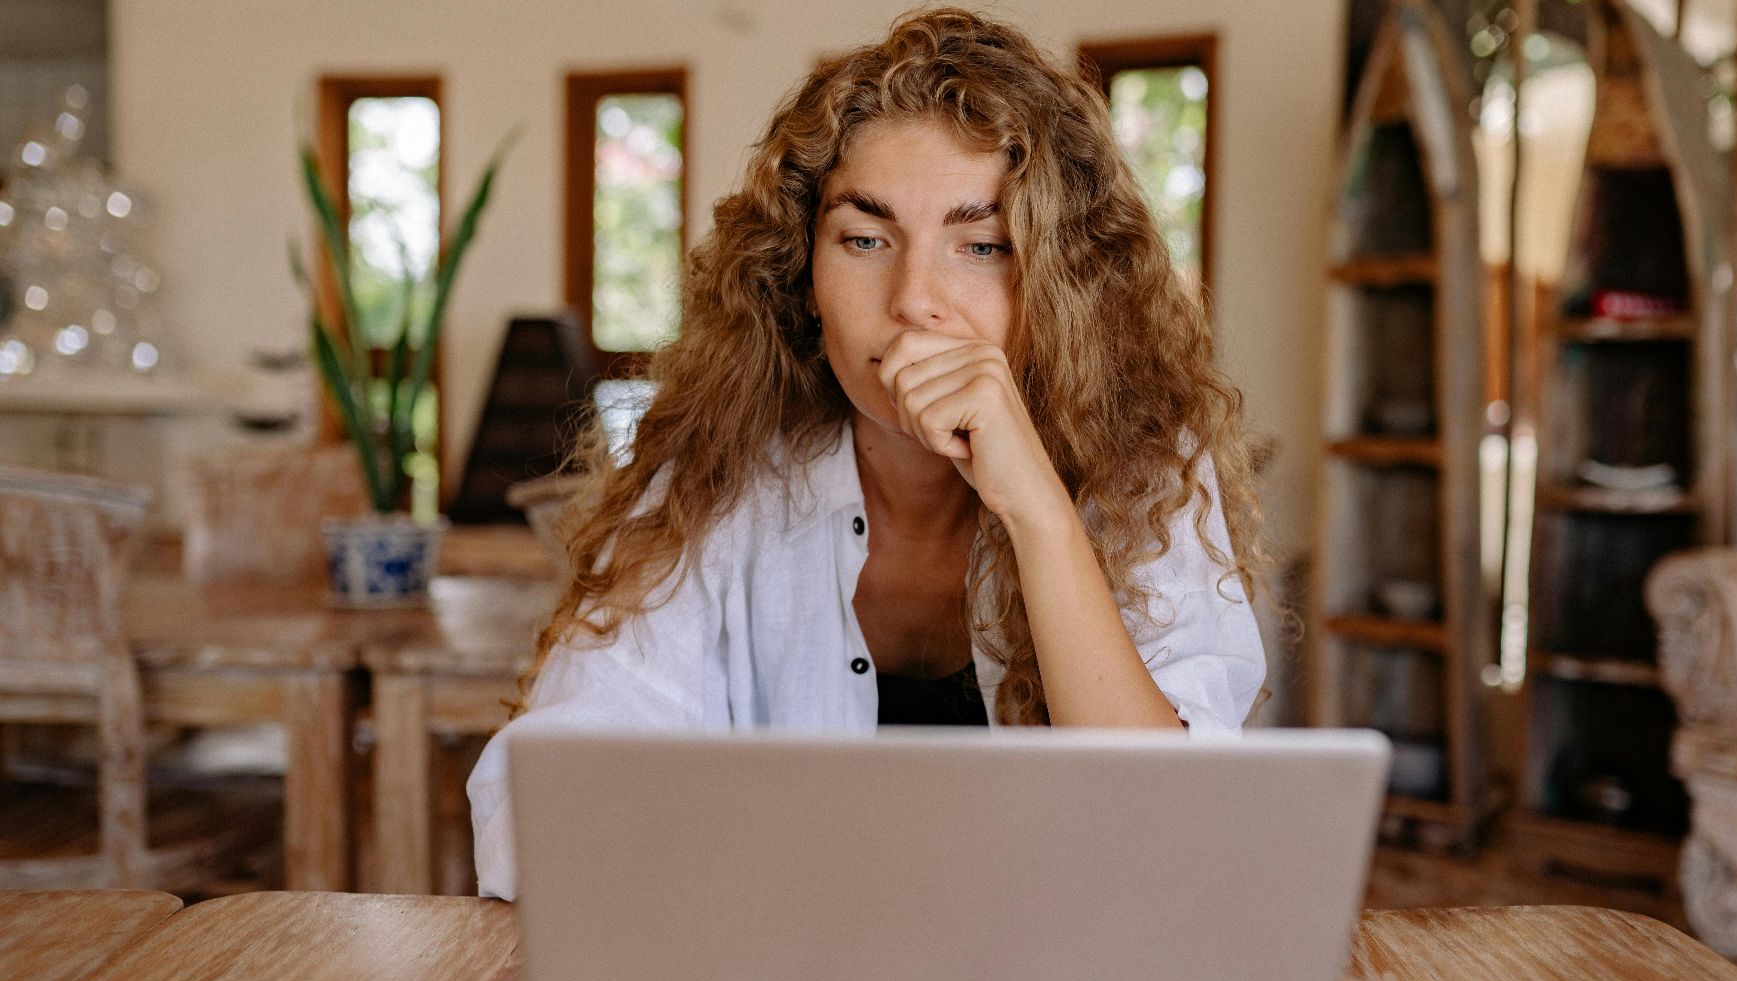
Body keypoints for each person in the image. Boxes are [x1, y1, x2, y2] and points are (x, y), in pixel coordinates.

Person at [469, 7, 1266, 900]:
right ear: (803, 276)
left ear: (1059, 287)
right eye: (864, 239)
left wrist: (1039, 512)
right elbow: (532, 806)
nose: (915, 300)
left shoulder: (1148, 467)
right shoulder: (712, 473)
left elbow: (1171, 841)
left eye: (981, 245)